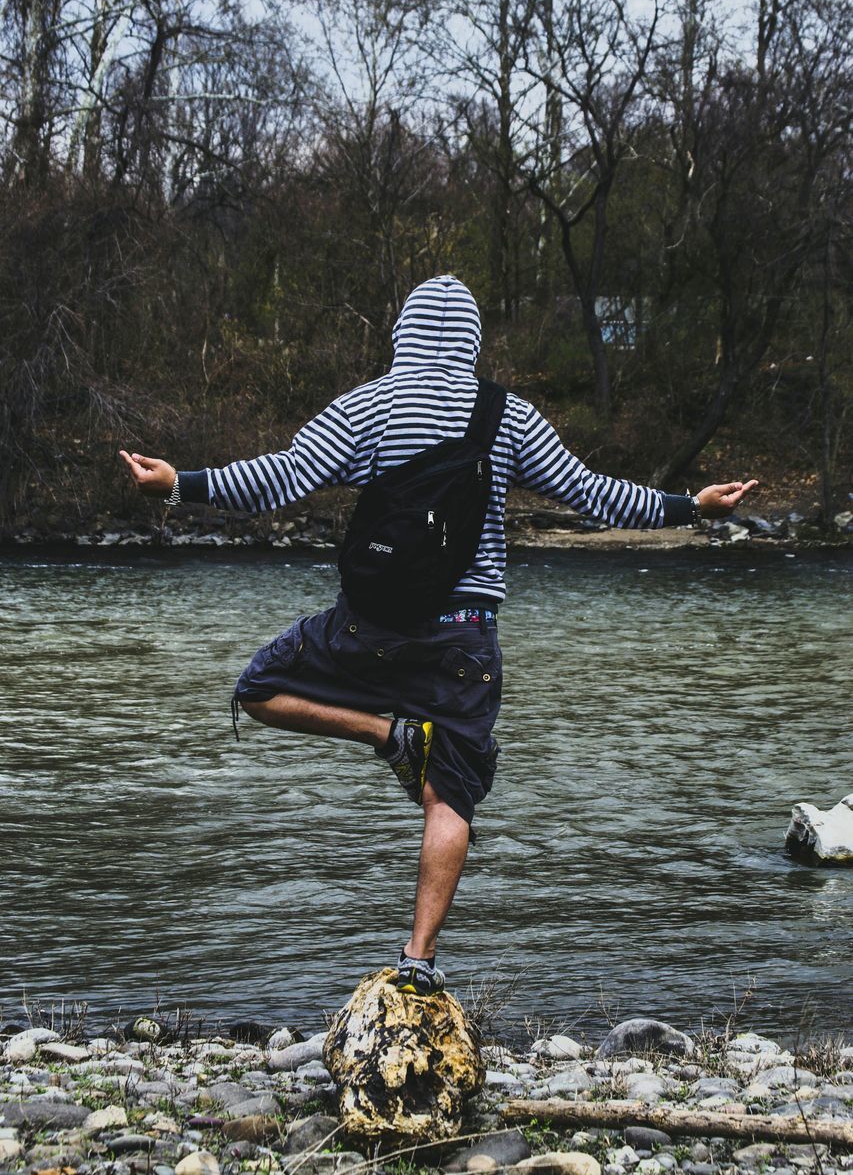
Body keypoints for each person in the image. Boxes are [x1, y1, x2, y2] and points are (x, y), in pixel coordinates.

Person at [120, 274, 757, 996]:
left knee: (257, 689)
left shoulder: (369, 405)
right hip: (464, 640)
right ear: (473, 343)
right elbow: (593, 494)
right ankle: (417, 962)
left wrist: (181, 483)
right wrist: (691, 507)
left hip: (368, 628)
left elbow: (282, 478)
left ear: (403, 335)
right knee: (448, 798)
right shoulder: (508, 417)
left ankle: (387, 735)